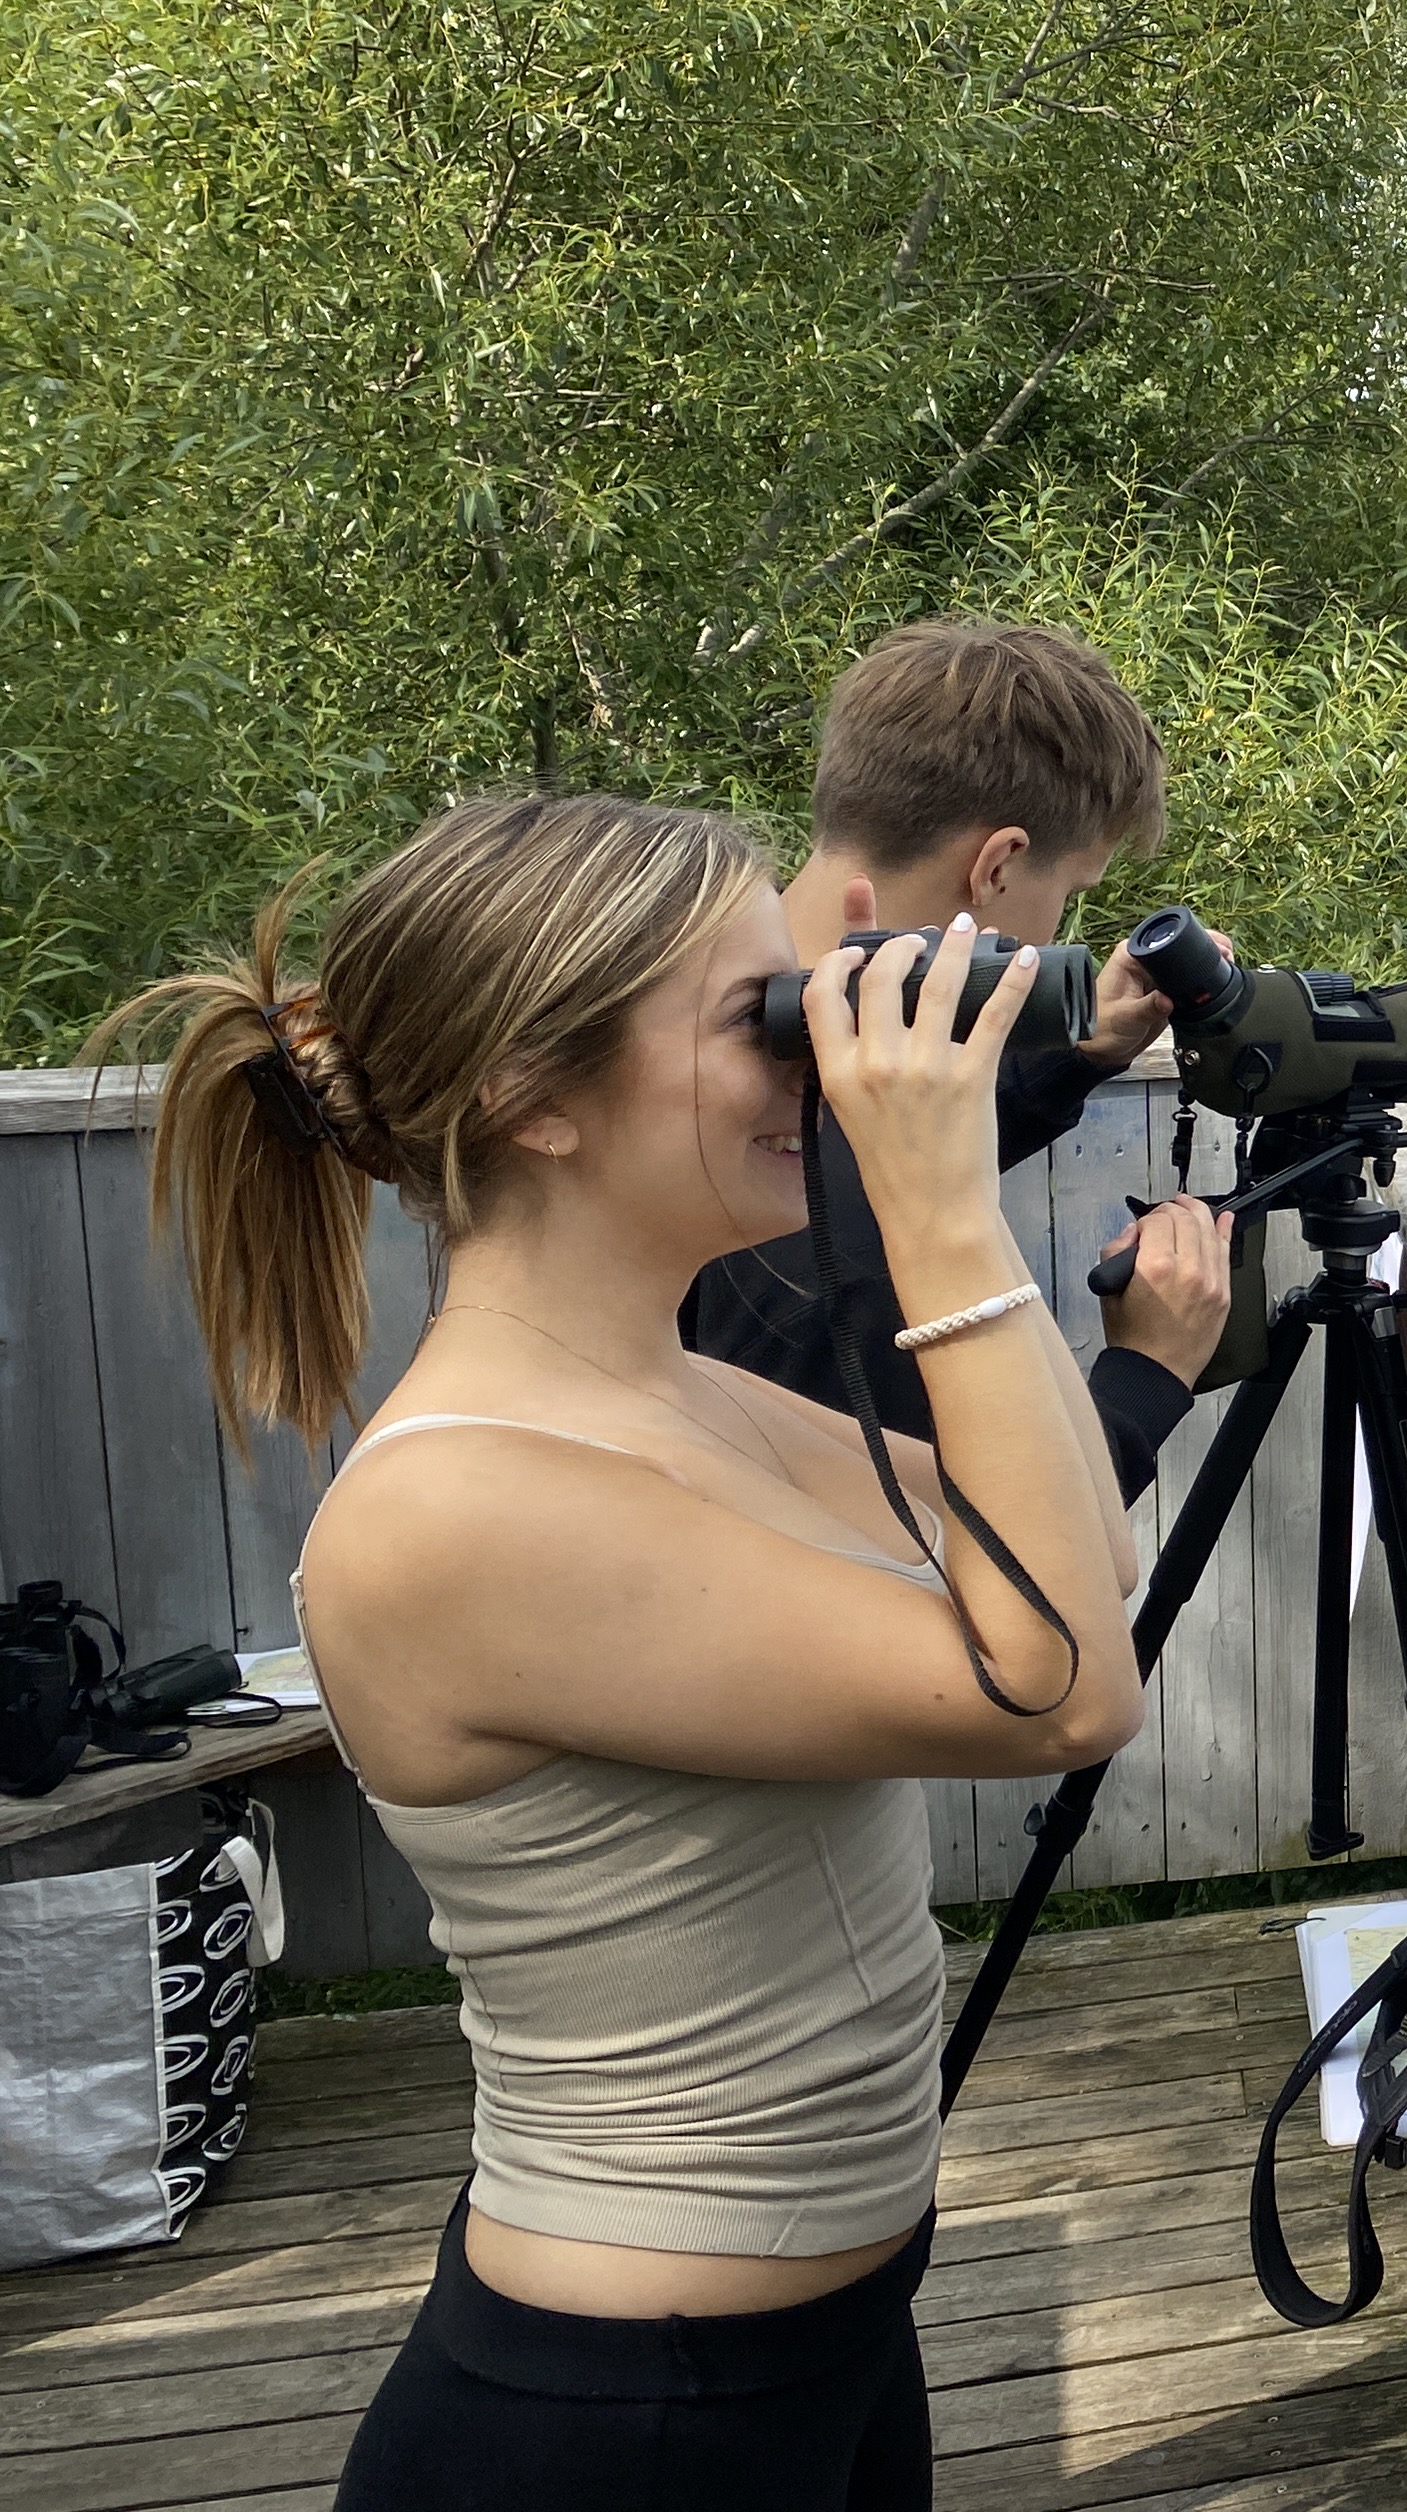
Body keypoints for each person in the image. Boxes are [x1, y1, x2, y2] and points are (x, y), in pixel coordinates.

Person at [112, 794, 1149, 2509]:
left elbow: (1082, 1558)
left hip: (821, 2340)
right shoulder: (456, 1505)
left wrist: (946, 1217)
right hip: (624, 2422)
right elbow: (1060, 1691)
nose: (818, 1057)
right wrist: (943, 1212)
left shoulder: (686, 1393)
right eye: (767, 1016)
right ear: (533, 1094)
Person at [683, 621, 1231, 1498]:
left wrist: (1074, 1055)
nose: (1060, 930)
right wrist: (1150, 1371)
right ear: (999, 865)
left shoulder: (723, 1040)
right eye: (1070, 892)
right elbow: (993, 1566)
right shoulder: (822, 1221)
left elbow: (878, 1136)